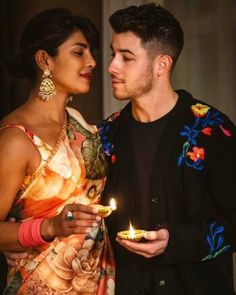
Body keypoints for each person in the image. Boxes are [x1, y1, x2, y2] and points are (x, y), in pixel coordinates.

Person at [99, 3, 236, 295]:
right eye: (114, 54)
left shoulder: (212, 129)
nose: (112, 66)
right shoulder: (107, 133)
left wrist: (176, 242)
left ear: (161, 65)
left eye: (127, 57)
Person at [0, 8, 115, 294]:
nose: (91, 61)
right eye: (79, 52)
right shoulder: (16, 138)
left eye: (90, 52)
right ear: (44, 59)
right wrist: (49, 227)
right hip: (41, 284)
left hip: (97, 280)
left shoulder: (78, 123)